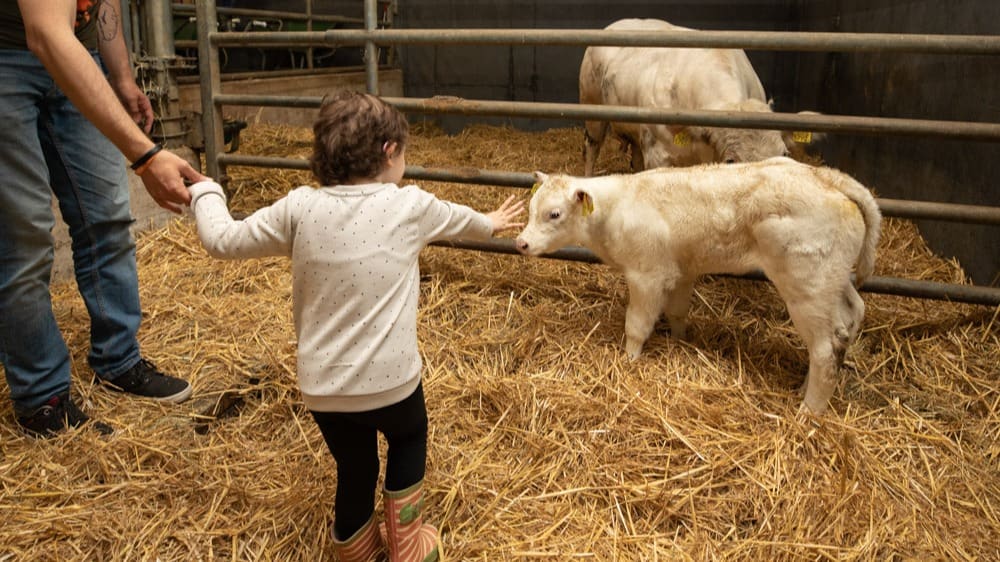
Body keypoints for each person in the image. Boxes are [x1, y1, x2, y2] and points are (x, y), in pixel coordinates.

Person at [187, 91, 525, 562]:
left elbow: (223, 240)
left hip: (324, 390)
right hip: (394, 383)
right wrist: (490, 223)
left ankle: (356, 553)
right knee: (409, 438)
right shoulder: (410, 204)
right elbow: (459, 221)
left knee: (355, 466)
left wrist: (205, 191)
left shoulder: (298, 208)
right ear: (389, 152)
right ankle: (407, 544)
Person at [0, 0, 206, 437]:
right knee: (25, 236)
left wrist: (122, 77)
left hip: (78, 51)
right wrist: (146, 157)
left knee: (108, 213)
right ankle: (43, 397)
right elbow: (47, 34)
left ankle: (118, 357)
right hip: (11, 56)